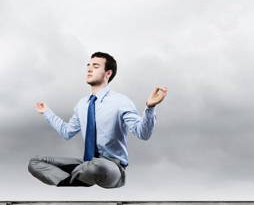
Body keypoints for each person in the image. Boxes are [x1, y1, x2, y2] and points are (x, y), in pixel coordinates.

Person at [28, 52, 168, 188]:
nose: (89, 69)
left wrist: (150, 107)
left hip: (111, 167)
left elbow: (142, 134)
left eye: (95, 66)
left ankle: (79, 175)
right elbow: (67, 132)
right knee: (35, 163)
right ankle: (79, 177)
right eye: (88, 65)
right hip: (86, 164)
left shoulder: (121, 102)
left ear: (108, 73)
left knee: (97, 166)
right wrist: (46, 112)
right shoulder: (82, 104)